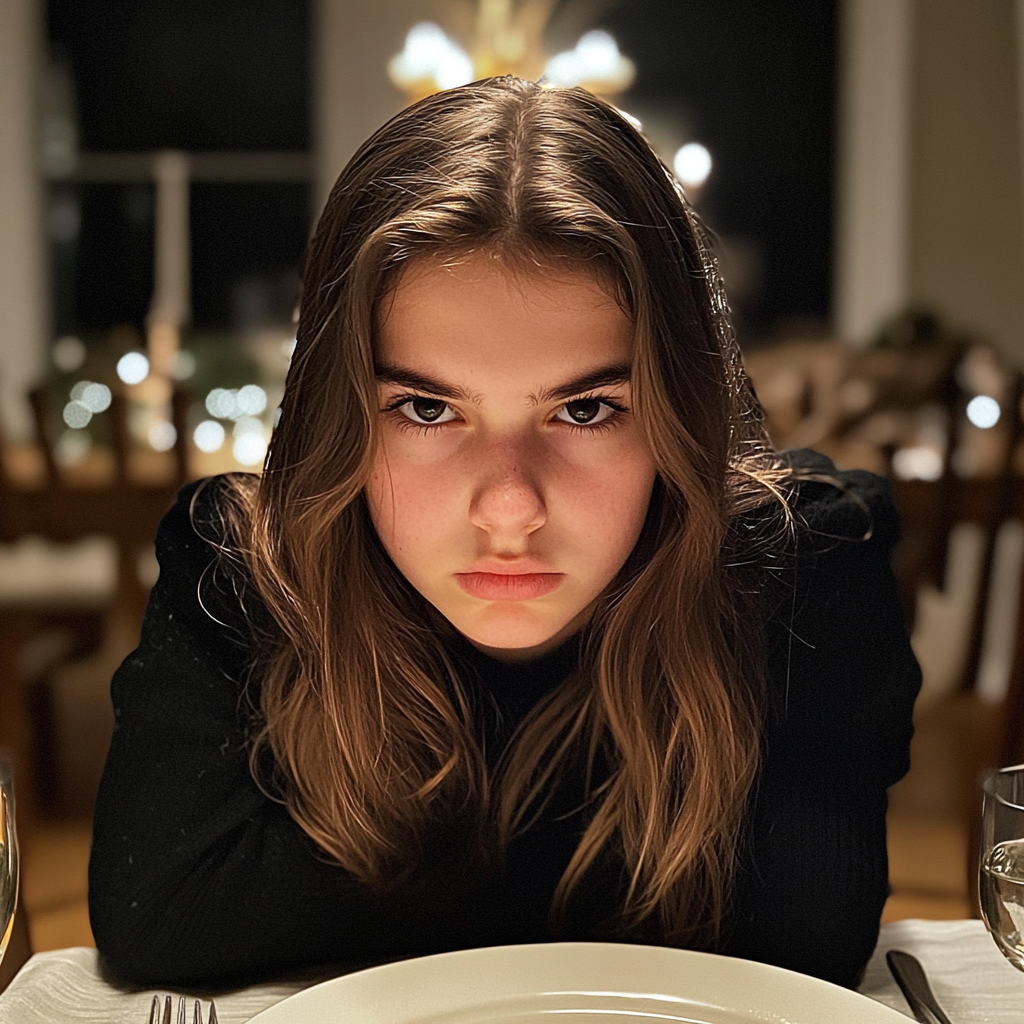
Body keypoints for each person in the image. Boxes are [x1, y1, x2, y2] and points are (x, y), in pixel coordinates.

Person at [88, 77, 920, 991]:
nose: (512, 508)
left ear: (679, 415)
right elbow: (158, 915)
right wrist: (656, 870)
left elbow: (808, 934)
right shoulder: (245, 570)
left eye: (588, 408)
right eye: (427, 407)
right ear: (340, 420)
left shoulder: (797, 566)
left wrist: (375, 865)